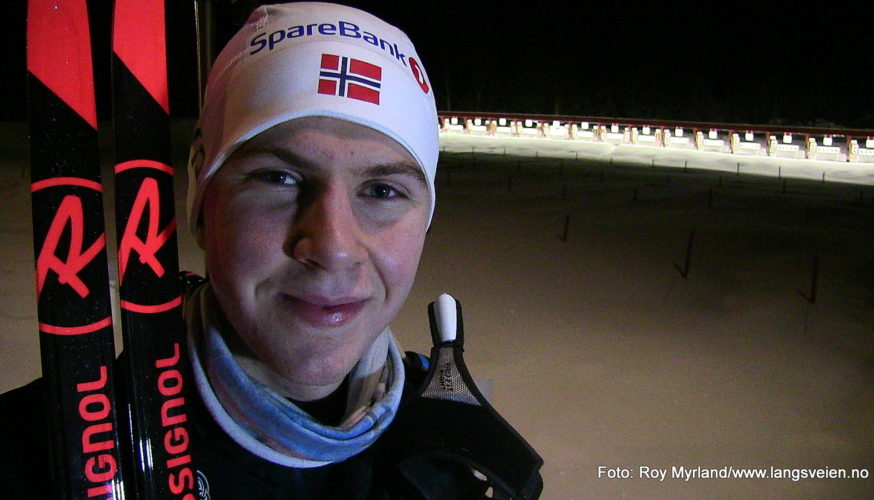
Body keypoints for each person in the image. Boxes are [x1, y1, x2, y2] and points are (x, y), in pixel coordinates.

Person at [1, 2, 541, 498]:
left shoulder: (449, 455)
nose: (332, 248)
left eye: (381, 191)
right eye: (279, 178)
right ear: (202, 198)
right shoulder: (33, 453)